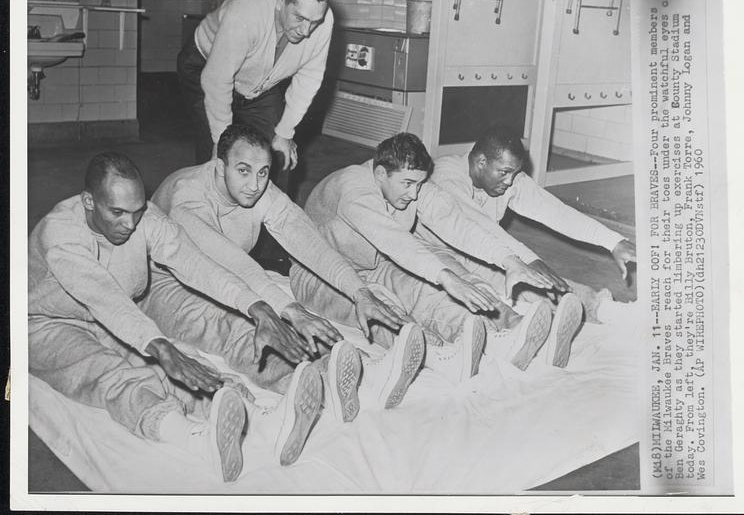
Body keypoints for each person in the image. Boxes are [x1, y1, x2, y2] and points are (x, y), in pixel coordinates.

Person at [28, 152, 325, 481]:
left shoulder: (145, 218)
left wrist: (256, 307)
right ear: (88, 201)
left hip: (120, 311)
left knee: (189, 365)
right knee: (112, 373)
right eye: (117, 212)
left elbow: (195, 263)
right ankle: (193, 440)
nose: (129, 224)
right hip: (46, 324)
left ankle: (260, 420)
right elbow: (102, 296)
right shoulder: (59, 233)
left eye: (137, 211)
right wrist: (159, 345)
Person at [149, 124, 425, 421]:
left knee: (301, 318)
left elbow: (309, 242)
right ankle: (307, 385)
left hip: (231, 278)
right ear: (219, 166)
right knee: (240, 326)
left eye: (263, 172)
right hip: (165, 284)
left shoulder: (257, 187)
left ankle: (356, 369)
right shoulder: (186, 198)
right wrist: (288, 309)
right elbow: (232, 264)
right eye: (243, 171)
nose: (255, 185)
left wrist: (360, 292)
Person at [290, 133, 586, 380]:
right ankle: (437, 355)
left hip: (376, 263)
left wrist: (509, 261)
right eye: (408, 184)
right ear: (380, 174)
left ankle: (506, 334)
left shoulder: (409, 183)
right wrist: (445, 278)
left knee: (429, 289)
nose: (415, 194)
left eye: (419, 184)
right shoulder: (352, 188)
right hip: (320, 274)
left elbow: (455, 221)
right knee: (382, 307)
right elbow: (393, 240)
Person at [426, 129, 638, 329]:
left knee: (541, 284)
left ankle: (603, 309)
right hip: (436, 254)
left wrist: (612, 241)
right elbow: (478, 225)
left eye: (514, 173)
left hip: (489, 254)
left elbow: (554, 210)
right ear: (481, 162)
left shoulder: (506, 174)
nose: (509, 181)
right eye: (504, 173)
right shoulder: (444, 175)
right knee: (472, 297)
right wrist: (526, 259)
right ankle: (516, 330)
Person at [177, 0, 333, 180]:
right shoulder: (247, 11)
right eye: (299, 18)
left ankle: (272, 212)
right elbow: (216, 79)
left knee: (279, 152)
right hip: (205, 67)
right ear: (280, 1)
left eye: (314, 22)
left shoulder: (323, 21)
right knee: (217, 158)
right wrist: (220, 139)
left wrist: (285, 132)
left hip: (258, 81)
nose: (306, 31)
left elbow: (309, 77)